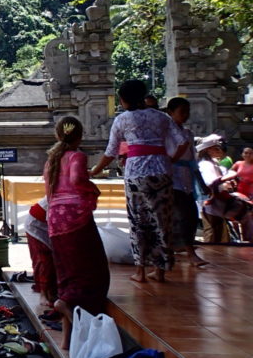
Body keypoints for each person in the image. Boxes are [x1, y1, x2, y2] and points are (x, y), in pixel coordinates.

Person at [91, 80, 183, 283]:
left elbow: (111, 151)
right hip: (162, 171)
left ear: (123, 100)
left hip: (135, 173)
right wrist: (170, 159)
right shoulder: (161, 117)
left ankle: (140, 271)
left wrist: (95, 170)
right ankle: (160, 271)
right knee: (162, 221)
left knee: (138, 222)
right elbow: (182, 141)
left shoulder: (122, 120)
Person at [44, 117, 109, 348]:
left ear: (58, 135)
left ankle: (66, 340)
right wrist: (93, 189)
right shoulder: (77, 156)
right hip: (75, 218)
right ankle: (69, 307)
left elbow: (50, 191)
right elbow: (77, 179)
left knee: (66, 270)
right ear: (80, 135)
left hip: (55, 219)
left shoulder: (52, 159)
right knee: (91, 270)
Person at [165, 98, 208, 267]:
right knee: (183, 215)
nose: (186, 115)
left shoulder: (188, 133)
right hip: (172, 177)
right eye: (182, 112)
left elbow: (193, 160)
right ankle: (189, 252)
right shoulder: (166, 132)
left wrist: (201, 182)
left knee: (190, 215)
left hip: (187, 177)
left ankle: (184, 245)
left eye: (187, 112)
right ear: (170, 112)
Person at [23, 198, 56, 307]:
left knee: (52, 259)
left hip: (47, 224)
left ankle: (50, 292)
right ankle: (43, 294)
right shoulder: (61, 193)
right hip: (35, 225)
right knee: (43, 261)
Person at [196, 136, 228, 243]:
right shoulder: (205, 165)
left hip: (217, 202)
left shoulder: (213, 163)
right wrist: (227, 178)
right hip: (210, 202)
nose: (219, 150)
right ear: (208, 150)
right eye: (216, 148)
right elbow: (210, 182)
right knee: (212, 231)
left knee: (219, 231)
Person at [203, 177, 253, 242]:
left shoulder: (233, 195)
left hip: (222, 212)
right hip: (217, 211)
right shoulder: (220, 189)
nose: (231, 182)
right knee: (213, 233)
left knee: (216, 233)